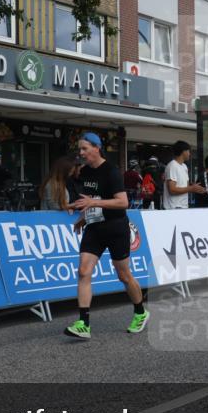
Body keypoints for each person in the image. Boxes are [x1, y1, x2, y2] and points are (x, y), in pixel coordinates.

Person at [65, 132, 148, 339]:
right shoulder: (84, 172)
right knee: (83, 271)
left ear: (96, 148)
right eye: (80, 149)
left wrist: (93, 203)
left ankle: (140, 312)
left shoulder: (111, 171)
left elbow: (122, 202)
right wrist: (84, 218)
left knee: (124, 275)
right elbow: (92, 199)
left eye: (85, 149)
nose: (81, 153)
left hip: (116, 227)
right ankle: (83, 323)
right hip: (94, 227)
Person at [163, 140, 205, 210]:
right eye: (188, 151)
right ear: (183, 152)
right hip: (173, 207)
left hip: (184, 206)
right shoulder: (172, 166)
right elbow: (172, 190)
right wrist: (191, 188)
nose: (189, 154)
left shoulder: (184, 166)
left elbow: (186, 187)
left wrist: (195, 188)